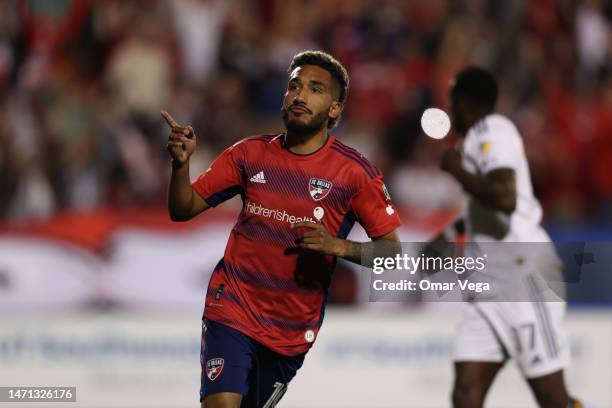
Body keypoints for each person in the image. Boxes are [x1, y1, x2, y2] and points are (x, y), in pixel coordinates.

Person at [163, 50, 401, 408]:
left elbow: (393, 254)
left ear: (335, 109)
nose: (301, 95)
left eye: (316, 89)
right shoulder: (248, 154)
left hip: (288, 334)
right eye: (294, 86)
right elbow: (183, 210)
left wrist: (338, 247)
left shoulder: (354, 173)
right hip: (231, 307)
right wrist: (180, 165)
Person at [438, 67, 582, 408]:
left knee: (552, 397)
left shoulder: (492, 129)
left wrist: (455, 168)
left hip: (523, 276)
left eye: (452, 102)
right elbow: (483, 212)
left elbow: (505, 197)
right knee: (465, 394)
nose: (450, 110)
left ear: (463, 101)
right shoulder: (473, 142)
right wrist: (438, 241)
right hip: (489, 285)